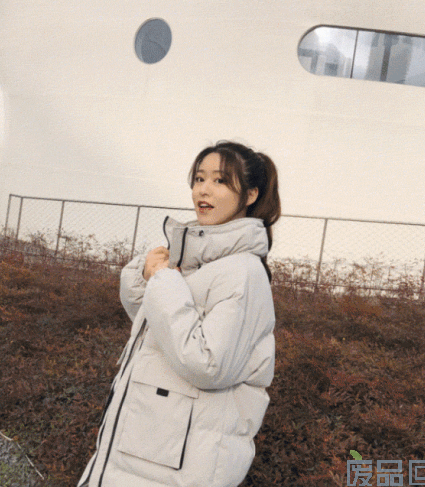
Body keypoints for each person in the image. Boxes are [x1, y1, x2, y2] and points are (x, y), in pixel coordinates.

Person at [77, 141, 281, 487]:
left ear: (250, 195)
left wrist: (164, 282)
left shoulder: (243, 272)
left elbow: (207, 364)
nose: (203, 190)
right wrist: (146, 278)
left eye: (219, 181)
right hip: (149, 448)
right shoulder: (197, 260)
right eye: (199, 178)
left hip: (179, 463)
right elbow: (161, 332)